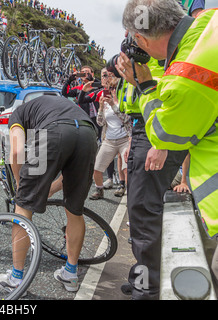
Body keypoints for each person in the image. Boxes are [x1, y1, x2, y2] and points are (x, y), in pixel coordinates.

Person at [117, 0, 217, 299]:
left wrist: (144, 85)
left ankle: (147, 287)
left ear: (143, 39)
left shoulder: (187, 71)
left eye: (136, 42)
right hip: (153, 128)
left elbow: (167, 133)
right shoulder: (209, 22)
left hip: (155, 133)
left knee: (143, 210)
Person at [0, 95, 98, 293]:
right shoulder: (59, 105)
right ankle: (70, 274)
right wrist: (48, 188)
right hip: (87, 132)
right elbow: (66, 177)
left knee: (23, 208)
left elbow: (16, 153)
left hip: (52, 131)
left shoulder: (17, 114)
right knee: (75, 210)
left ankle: (16, 278)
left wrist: (21, 187)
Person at [82, 70, 131, 200]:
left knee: (127, 169)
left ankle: (129, 194)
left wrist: (113, 105)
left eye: (114, 88)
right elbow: (100, 122)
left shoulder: (123, 101)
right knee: (96, 168)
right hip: (109, 139)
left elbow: (126, 119)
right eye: (110, 88)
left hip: (124, 139)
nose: (112, 90)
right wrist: (101, 108)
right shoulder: (104, 102)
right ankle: (99, 190)